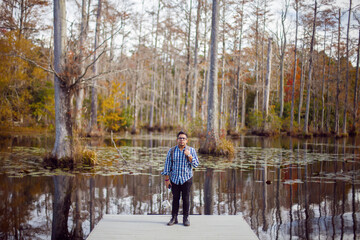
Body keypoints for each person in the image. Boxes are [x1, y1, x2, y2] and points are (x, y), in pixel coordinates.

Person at [161, 131, 199, 226]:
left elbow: (196, 164)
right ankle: (174, 218)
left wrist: (189, 155)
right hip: (174, 179)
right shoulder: (172, 150)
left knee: (186, 199)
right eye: (180, 138)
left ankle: (186, 218)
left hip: (186, 178)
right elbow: (167, 166)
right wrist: (167, 179)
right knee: (175, 199)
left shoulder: (191, 150)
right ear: (177, 140)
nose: (181, 140)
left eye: (183, 138)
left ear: (187, 140)